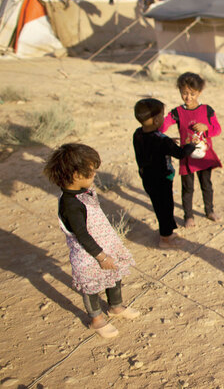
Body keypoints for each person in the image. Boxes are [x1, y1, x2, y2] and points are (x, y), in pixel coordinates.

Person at [43, 143, 139, 339]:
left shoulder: (81, 192)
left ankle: (116, 307)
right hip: (89, 254)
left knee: (114, 275)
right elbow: (82, 235)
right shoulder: (70, 204)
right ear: (77, 175)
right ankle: (96, 320)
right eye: (91, 172)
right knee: (91, 286)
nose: (95, 174)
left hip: (105, 246)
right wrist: (101, 257)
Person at [133, 98, 197, 249]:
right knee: (166, 208)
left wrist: (168, 141)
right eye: (162, 115)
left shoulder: (138, 134)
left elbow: (152, 146)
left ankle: (167, 232)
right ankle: (166, 238)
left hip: (148, 179)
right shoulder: (162, 141)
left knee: (159, 206)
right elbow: (181, 153)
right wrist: (192, 145)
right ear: (156, 120)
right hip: (162, 180)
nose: (164, 118)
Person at [160, 72, 222, 227]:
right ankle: (189, 216)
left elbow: (217, 129)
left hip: (204, 156)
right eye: (184, 93)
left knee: (206, 184)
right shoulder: (177, 113)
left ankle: (210, 211)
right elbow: (163, 126)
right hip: (186, 156)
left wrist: (206, 128)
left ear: (199, 93)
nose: (188, 97)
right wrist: (165, 138)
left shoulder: (207, 110)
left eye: (192, 94)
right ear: (180, 91)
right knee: (187, 188)